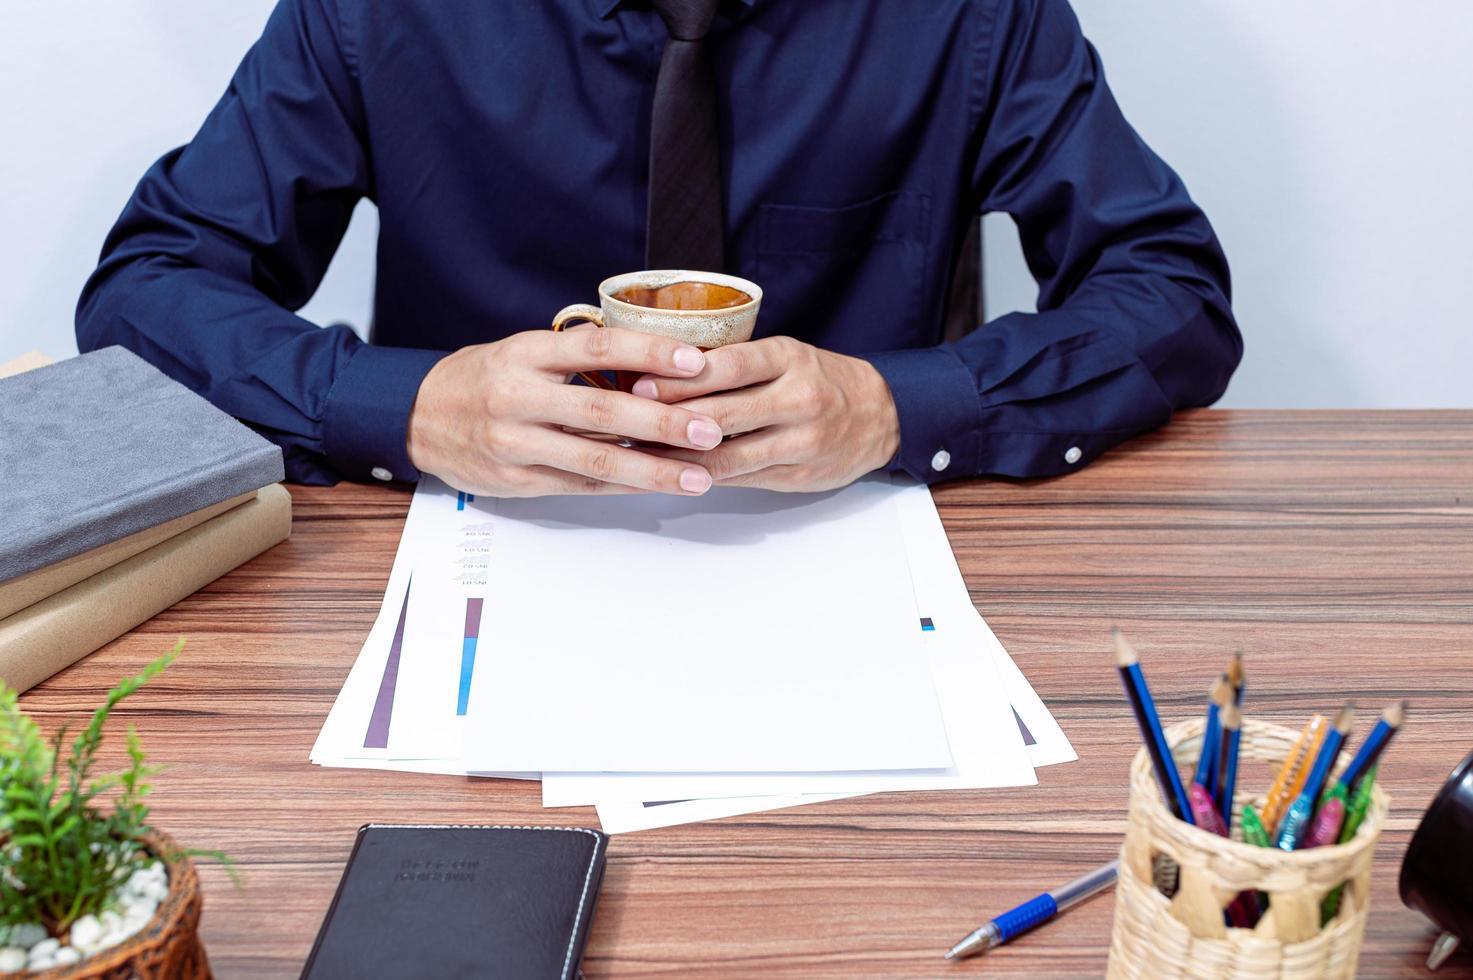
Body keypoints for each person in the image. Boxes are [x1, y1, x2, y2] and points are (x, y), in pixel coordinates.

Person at [77, 0, 1240, 498]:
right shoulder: (378, 10)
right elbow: (145, 291)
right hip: (470, 565)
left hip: (848, 570)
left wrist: (902, 403)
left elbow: (1170, 289)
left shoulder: (969, 13)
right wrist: (406, 403)